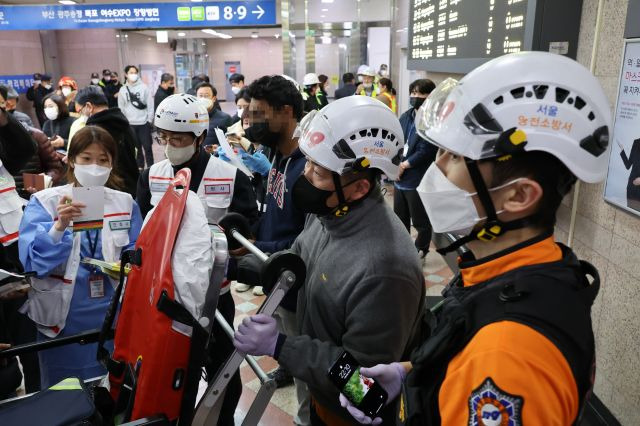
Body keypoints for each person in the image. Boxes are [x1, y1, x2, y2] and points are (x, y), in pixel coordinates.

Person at [341, 51, 612, 426]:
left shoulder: (507, 360)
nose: (436, 165)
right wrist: (413, 373)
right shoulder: (523, 270)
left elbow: (494, 360)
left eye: (454, 156)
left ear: (519, 196)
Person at [233, 95, 425, 426]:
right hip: (320, 399)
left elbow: (365, 386)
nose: (305, 177)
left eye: (318, 172)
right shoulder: (330, 213)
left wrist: (281, 346)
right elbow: (296, 260)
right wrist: (235, 266)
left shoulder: (385, 269)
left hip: (349, 417)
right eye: (306, 163)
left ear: (359, 187)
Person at [136, 93, 258, 425]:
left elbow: (250, 226)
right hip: (166, 296)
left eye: (178, 138)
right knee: (167, 365)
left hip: (215, 296)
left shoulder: (231, 176)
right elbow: (141, 230)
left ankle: (222, 420)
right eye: (164, 137)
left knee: (223, 370)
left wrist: (240, 246)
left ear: (200, 137)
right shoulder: (152, 175)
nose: (169, 144)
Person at [19, 125, 143, 389]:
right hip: (63, 319)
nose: (95, 166)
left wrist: (128, 265)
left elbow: (137, 253)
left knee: (111, 387)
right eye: (87, 158)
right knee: (64, 391)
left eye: (103, 160)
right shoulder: (45, 202)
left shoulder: (124, 203)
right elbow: (33, 262)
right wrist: (59, 226)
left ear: (112, 164)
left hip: (111, 314)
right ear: (72, 160)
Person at [226, 75, 309, 426]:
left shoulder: (308, 170)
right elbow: (272, 211)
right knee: (283, 337)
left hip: (298, 283)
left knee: (309, 368)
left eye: (259, 114)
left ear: (286, 111)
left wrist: (258, 249)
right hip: (275, 276)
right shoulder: (278, 155)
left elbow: (305, 243)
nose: (251, 122)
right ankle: (289, 368)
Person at [0, 104, 38, 396]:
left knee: (25, 327)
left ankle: (36, 391)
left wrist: (3, 119)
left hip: (9, 247)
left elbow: (23, 149)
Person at [394, 79, 437, 259]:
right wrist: (395, 164)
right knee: (399, 218)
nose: (415, 97)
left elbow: (426, 150)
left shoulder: (431, 121)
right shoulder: (406, 116)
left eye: (420, 94)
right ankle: (403, 248)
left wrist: (404, 165)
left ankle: (421, 248)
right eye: (413, 93)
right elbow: (396, 140)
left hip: (416, 177)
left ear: (430, 97)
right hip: (399, 177)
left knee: (420, 220)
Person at [77, 86, 140, 198]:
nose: (80, 115)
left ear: (88, 106)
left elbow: (92, 168)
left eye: (80, 111)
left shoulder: (93, 132)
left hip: (105, 192)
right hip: (130, 187)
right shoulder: (123, 123)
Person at [118, 65, 154, 169]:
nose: (133, 75)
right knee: (136, 148)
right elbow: (121, 108)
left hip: (143, 123)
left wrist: (149, 120)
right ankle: (140, 168)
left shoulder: (144, 87)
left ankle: (151, 168)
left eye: (135, 72)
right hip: (130, 124)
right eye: (131, 73)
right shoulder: (123, 90)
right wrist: (125, 122)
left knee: (147, 147)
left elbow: (150, 105)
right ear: (126, 74)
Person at [196, 82, 233, 148]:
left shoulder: (225, 118)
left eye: (206, 96)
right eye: (200, 96)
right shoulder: (191, 117)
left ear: (214, 98)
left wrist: (217, 148)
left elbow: (231, 142)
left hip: (215, 156)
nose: (203, 98)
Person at [617, 138, 640, 211]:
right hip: (631, 186)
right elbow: (628, 165)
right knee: (630, 211)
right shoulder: (636, 142)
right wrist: (622, 150)